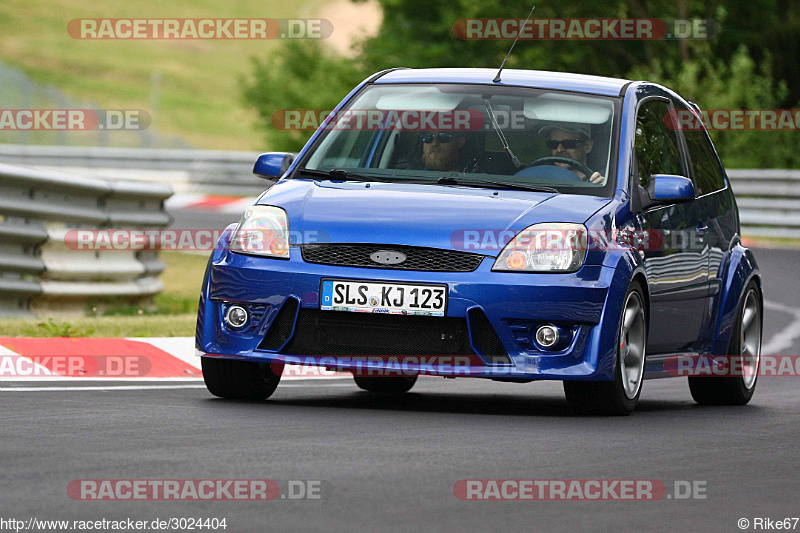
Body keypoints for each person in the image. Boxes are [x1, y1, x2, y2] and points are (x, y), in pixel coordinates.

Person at [538, 123, 604, 184]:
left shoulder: (605, 181)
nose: (559, 149)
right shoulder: (537, 178)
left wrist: (599, 188)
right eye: (553, 144)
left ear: (587, 146)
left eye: (568, 143)